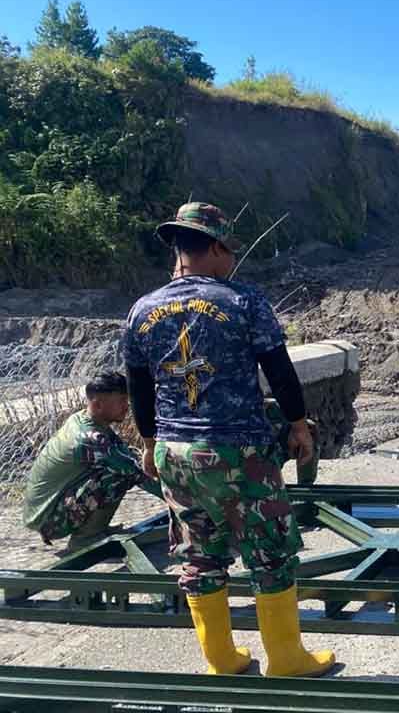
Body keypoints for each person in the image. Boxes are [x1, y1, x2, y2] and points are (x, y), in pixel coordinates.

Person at [123, 202, 335, 678]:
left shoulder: (142, 310)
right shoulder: (243, 300)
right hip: (238, 450)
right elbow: (279, 371)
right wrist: (299, 426)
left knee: (198, 555)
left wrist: (149, 441)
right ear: (216, 247)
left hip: (174, 450)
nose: (232, 260)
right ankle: (286, 659)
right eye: (229, 250)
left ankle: (221, 659)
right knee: (270, 551)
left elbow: (138, 385)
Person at [22, 372, 159, 552]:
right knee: (118, 476)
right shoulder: (89, 437)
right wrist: (188, 505)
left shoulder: (85, 419)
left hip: (52, 509)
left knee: (119, 469)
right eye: (122, 400)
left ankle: (95, 530)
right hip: (49, 520)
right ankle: (85, 539)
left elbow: (124, 455)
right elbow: (137, 473)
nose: (127, 406)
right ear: (98, 404)